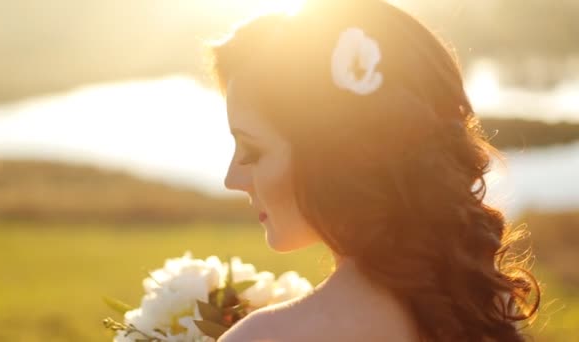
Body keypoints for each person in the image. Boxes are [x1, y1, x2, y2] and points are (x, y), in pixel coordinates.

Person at [210, 0, 540, 340]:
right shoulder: (483, 301)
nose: (232, 179)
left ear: (336, 150)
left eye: (253, 150)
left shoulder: (265, 337)